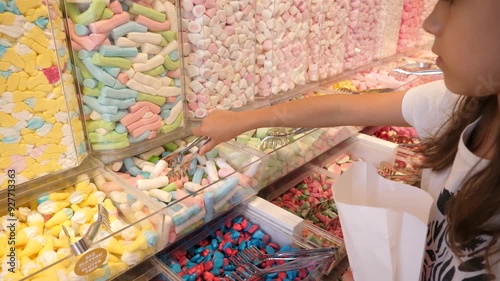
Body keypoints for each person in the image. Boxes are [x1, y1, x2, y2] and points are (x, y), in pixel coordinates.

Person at [193, 0, 500, 280]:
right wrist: (244, 120)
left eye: (454, 1)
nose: (429, 22)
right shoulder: (459, 105)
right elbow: (341, 106)